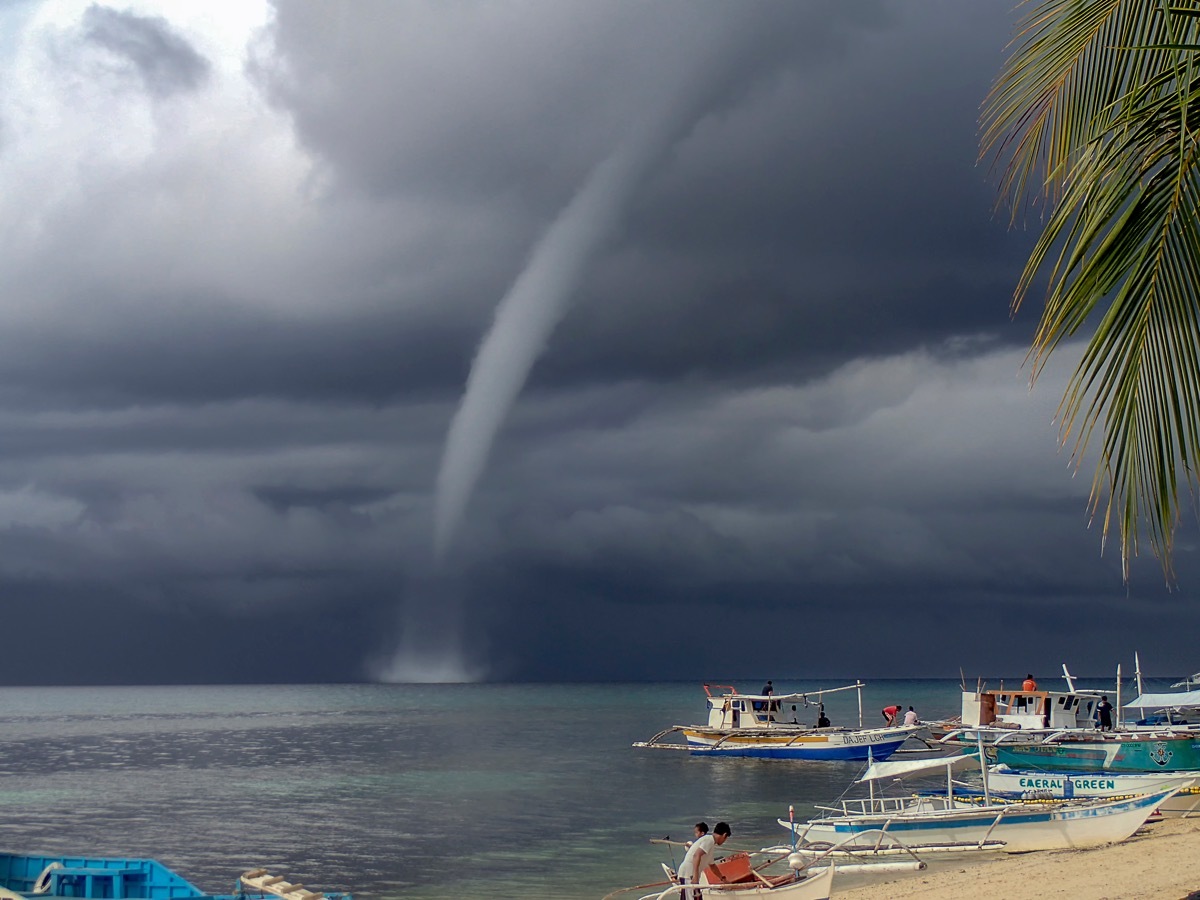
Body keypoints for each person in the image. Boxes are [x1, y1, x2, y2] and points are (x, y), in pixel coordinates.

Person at [677, 821, 731, 898]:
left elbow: (712, 866)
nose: (724, 841)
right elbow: (697, 855)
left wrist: (723, 879)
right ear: (724, 835)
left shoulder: (711, 844)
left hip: (691, 875)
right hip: (688, 874)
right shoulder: (709, 840)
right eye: (725, 839)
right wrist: (695, 876)